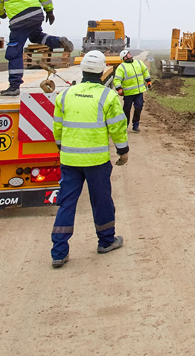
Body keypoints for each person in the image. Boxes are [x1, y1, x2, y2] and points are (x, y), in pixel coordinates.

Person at [50, 50, 129, 268]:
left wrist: (61, 147)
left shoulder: (65, 95)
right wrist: (123, 151)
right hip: (96, 162)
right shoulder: (108, 96)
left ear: (83, 69)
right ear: (103, 71)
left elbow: (57, 125)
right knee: (102, 201)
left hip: (70, 161)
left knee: (66, 204)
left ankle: (58, 252)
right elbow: (118, 127)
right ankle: (106, 241)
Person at [115, 49, 152, 132]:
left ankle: (135, 125)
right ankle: (125, 125)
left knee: (139, 107)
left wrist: (148, 81)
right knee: (126, 110)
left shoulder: (139, 63)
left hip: (139, 92)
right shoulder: (121, 67)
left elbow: (145, 72)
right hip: (128, 93)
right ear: (124, 57)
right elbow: (117, 80)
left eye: (129, 53)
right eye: (127, 54)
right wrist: (119, 89)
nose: (129, 55)